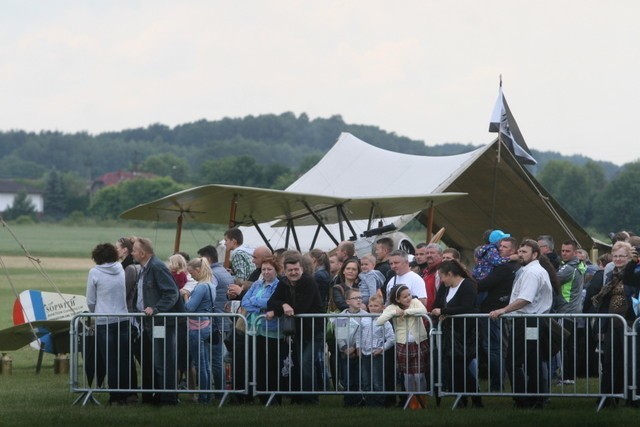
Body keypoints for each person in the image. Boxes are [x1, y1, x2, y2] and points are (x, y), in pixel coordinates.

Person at [489, 239, 553, 409]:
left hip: (528, 321)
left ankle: (523, 399)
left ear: (535, 254)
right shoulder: (532, 270)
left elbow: (525, 299)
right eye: (520, 251)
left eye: (525, 252)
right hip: (530, 321)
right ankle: (535, 398)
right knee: (532, 362)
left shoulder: (532, 273)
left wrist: (504, 310)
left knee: (515, 362)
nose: (520, 255)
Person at [132, 237, 183, 406]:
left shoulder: (156, 267)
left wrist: (155, 308)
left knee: (163, 362)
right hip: (150, 323)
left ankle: (169, 398)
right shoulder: (145, 268)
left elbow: (171, 293)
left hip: (161, 323)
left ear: (142, 253)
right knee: (157, 361)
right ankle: (160, 396)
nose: (132, 252)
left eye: (134, 250)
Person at [266, 254, 324, 404]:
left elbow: (300, 307)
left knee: (306, 362)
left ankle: (311, 399)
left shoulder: (309, 282)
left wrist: (278, 310)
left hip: (314, 330)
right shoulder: (283, 282)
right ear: (284, 271)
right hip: (298, 331)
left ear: (302, 269)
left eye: (296, 269)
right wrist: (283, 305)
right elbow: (271, 301)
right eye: (290, 270)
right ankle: (305, 397)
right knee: (302, 363)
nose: (293, 272)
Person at [590, 241, 639, 406]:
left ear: (629, 257)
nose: (618, 259)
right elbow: (604, 303)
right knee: (610, 362)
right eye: (615, 256)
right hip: (613, 322)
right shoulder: (611, 275)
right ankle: (608, 397)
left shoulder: (634, 273)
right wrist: (601, 326)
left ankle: (633, 398)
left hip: (630, 323)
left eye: (622, 256)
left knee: (632, 362)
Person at [431, 260, 482, 408]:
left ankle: (475, 399)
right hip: (449, 335)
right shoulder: (444, 287)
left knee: (461, 368)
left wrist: (444, 312)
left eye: (442, 276)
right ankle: (462, 399)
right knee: (454, 369)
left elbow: (467, 307)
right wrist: (439, 312)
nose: (441, 280)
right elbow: (436, 305)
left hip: (466, 334)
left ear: (451, 274)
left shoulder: (468, 285)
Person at [86, 242, 131, 405]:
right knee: (123, 359)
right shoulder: (120, 269)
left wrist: (94, 313)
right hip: (123, 318)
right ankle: (125, 395)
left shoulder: (94, 272)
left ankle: (115, 396)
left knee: (110, 360)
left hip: (104, 320)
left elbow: (90, 300)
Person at [476, 236, 520, 392]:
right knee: (497, 347)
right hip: (500, 309)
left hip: (494, 310)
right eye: (500, 246)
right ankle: (498, 383)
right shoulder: (512, 265)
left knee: (494, 348)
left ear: (514, 250)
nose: (501, 248)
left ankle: (497, 385)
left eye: (506, 246)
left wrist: (470, 281)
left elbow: (483, 284)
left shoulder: (504, 268)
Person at [376, 284, 429, 406]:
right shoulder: (392, 307)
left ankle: (422, 400)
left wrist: (406, 312)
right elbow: (380, 321)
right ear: (397, 299)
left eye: (409, 294)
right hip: (403, 345)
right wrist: (394, 312)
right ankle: (411, 401)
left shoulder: (415, 302)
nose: (408, 298)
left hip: (419, 343)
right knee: (408, 376)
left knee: (419, 375)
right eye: (404, 297)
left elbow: (423, 310)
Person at [241, 257, 283, 404]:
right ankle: (261, 396)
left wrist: (257, 302)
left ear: (276, 270)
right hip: (255, 329)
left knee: (270, 365)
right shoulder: (257, 284)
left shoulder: (279, 286)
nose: (265, 272)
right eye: (263, 269)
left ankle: (273, 397)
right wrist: (262, 306)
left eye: (269, 269)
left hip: (271, 330)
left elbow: (273, 303)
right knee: (257, 364)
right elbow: (245, 302)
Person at [197, 244, 233, 394]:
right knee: (217, 359)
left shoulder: (212, 275)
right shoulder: (223, 271)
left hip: (216, 322)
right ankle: (221, 391)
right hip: (224, 320)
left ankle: (219, 392)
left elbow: (205, 295)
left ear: (208, 259)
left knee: (215, 360)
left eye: (201, 259)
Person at [180, 257, 217, 404]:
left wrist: (185, 295)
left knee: (200, 364)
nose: (191, 276)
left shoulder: (201, 286)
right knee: (205, 363)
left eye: (192, 273)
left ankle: (203, 397)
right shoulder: (211, 285)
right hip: (206, 326)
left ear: (198, 270)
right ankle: (206, 394)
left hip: (197, 328)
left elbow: (189, 308)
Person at [357, 294, 394, 407]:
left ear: (382, 307)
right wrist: (359, 347)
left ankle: (379, 403)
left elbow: (391, 338)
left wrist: (382, 349)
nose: (373, 308)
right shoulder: (364, 320)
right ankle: (368, 402)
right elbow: (359, 334)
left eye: (376, 306)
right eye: (371, 305)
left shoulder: (385, 321)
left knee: (377, 381)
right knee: (366, 380)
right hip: (365, 353)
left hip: (377, 354)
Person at [332, 288, 366, 406]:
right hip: (346, 352)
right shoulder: (341, 316)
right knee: (348, 377)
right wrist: (345, 348)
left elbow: (366, 333)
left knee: (360, 377)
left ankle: (360, 400)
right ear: (347, 301)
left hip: (361, 351)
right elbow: (340, 335)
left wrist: (357, 347)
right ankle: (349, 401)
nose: (359, 300)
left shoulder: (366, 315)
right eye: (355, 298)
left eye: (360, 298)